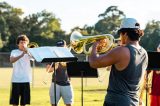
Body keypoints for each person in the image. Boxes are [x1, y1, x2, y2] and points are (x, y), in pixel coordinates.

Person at [88, 18, 148, 106]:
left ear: (125, 34)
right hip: (134, 101)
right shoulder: (144, 53)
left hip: (116, 101)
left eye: (120, 34)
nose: (120, 37)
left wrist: (94, 46)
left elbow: (94, 62)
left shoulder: (122, 51)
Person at [46, 40, 73, 106]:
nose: (60, 49)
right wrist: (56, 65)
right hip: (55, 83)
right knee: (53, 104)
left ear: (65, 47)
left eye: (62, 47)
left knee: (69, 104)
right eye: (59, 47)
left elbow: (72, 69)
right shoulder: (52, 56)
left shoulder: (69, 56)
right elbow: (48, 70)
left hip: (66, 83)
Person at [10, 35, 32, 106]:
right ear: (18, 44)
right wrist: (22, 55)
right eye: (21, 42)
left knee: (24, 103)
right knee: (14, 102)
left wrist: (28, 52)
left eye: (25, 42)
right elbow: (11, 60)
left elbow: (36, 59)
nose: (23, 44)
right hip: (16, 80)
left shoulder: (29, 52)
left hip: (26, 80)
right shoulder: (14, 51)